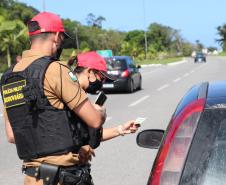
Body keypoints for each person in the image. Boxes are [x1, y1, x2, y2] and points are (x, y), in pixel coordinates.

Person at [1, 12, 106, 185]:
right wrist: (100, 113)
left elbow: (12, 136)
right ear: (57, 37)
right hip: (63, 178)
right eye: (62, 41)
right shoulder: (56, 69)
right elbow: (94, 121)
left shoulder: (8, 77)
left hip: (32, 178)